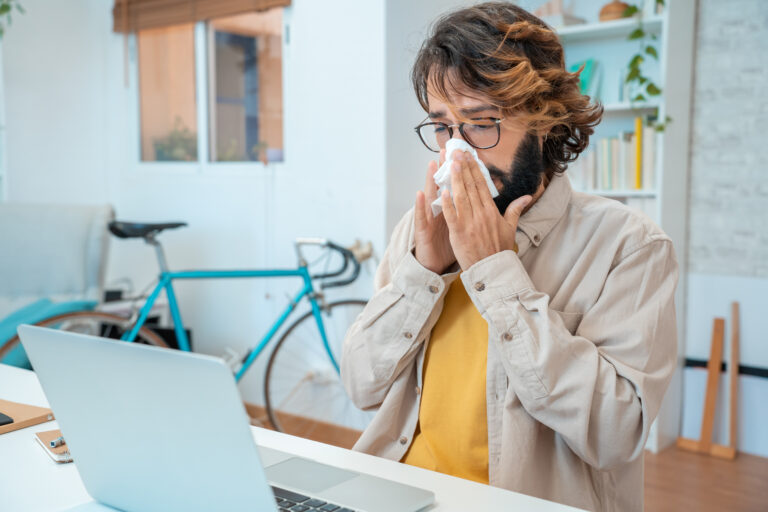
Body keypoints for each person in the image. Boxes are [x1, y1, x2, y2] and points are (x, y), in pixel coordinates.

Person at [341, 3, 678, 511]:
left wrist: (496, 274)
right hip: (400, 493)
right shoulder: (422, 230)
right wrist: (423, 272)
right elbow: (361, 385)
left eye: (480, 123)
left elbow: (616, 434)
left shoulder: (628, 245)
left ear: (546, 122)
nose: (458, 153)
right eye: (442, 127)